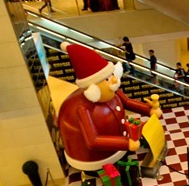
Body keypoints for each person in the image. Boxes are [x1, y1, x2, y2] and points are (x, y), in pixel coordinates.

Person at [57, 43, 162, 171]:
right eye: (107, 79)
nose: (114, 80)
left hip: (121, 146)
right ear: (92, 87)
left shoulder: (111, 92)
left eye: (111, 75)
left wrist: (149, 110)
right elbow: (93, 141)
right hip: (97, 158)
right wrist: (126, 143)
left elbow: (127, 102)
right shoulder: (81, 109)